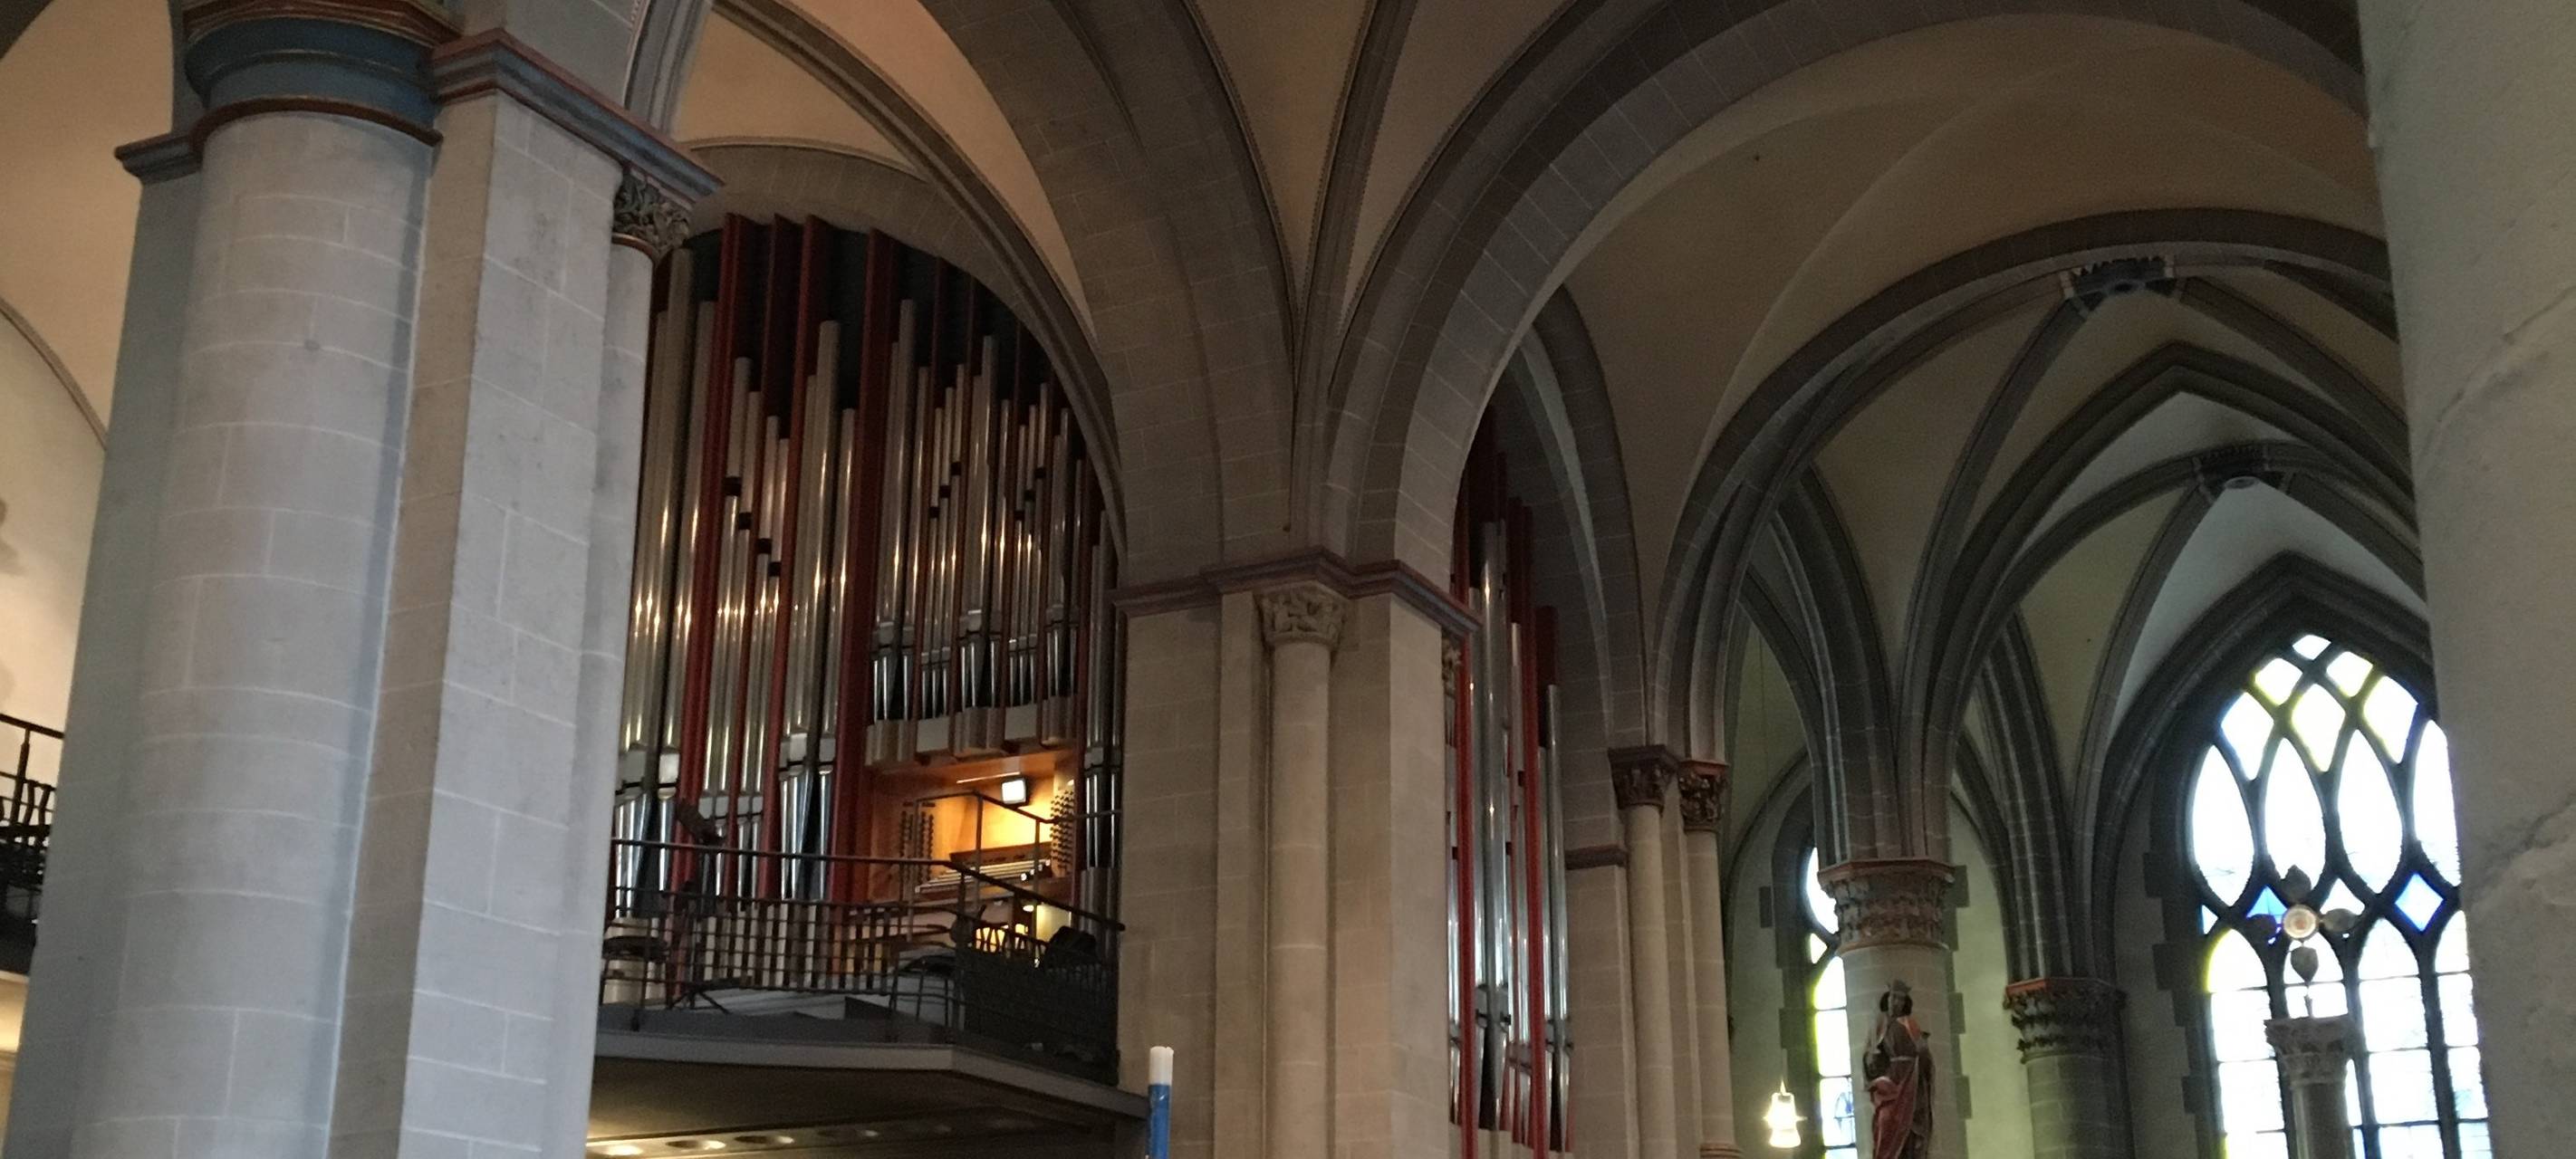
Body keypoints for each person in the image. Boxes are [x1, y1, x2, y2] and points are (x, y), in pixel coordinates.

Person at [1863, 980, 1933, 1159]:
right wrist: (1871, 1060)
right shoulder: (1880, 1023)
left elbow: (1923, 1052)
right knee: (1885, 1121)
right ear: (1887, 999)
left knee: (1911, 1126)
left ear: (1905, 1004)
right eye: (1893, 998)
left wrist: (1922, 1051)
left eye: (1900, 1000)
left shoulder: (1909, 1024)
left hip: (1911, 1079)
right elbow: (1872, 1056)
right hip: (1891, 1080)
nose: (1896, 1003)